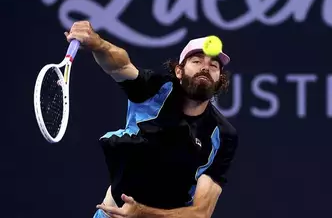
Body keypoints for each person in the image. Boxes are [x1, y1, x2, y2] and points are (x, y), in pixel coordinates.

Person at [65, 21, 238, 218]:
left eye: (213, 65)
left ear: (219, 81)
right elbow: (120, 65)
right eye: (197, 61)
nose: (205, 68)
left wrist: (142, 213)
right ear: (179, 72)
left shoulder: (223, 135)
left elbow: (201, 213)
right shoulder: (154, 91)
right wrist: (97, 43)